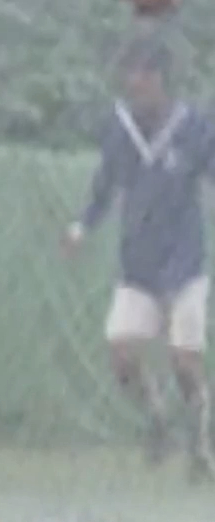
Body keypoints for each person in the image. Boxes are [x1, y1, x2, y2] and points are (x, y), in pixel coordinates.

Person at [62, 36, 215, 482]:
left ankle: (201, 445)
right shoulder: (121, 129)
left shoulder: (193, 127)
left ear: (161, 79)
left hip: (184, 261)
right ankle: (158, 419)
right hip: (139, 263)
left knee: (185, 361)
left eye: (145, 74)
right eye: (131, 74)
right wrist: (81, 228)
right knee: (122, 356)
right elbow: (104, 187)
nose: (136, 83)